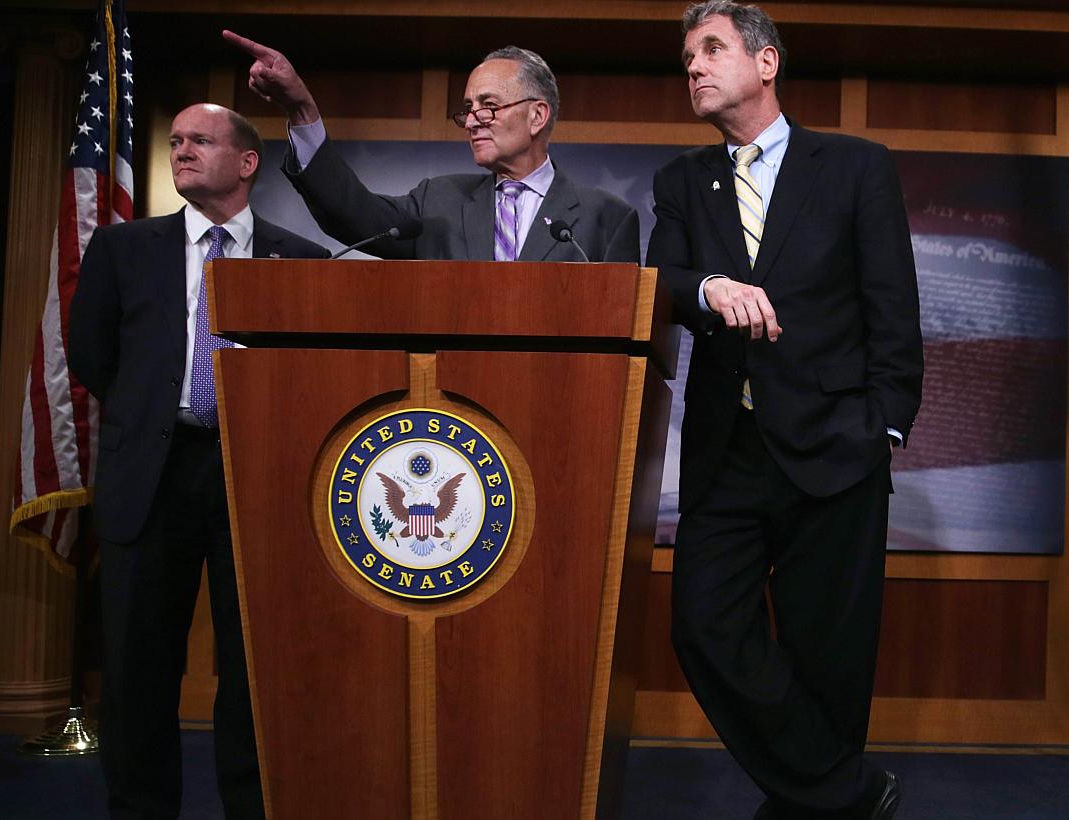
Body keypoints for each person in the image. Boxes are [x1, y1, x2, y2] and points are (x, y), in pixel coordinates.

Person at [646, 2, 923, 818]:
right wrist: (707, 285)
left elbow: (893, 312)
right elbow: (659, 282)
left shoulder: (856, 167)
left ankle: (809, 803)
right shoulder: (681, 182)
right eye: (688, 55)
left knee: (827, 654)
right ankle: (846, 792)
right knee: (704, 624)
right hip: (727, 449)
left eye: (712, 49)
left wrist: (885, 429)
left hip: (838, 445)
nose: (694, 66)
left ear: (766, 64)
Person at [69, 103, 330, 819]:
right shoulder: (125, 249)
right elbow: (91, 352)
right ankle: (141, 809)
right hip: (150, 475)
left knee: (252, 667)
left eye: (201, 141)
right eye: (177, 141)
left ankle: (250, 805)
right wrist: (151, 412)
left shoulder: (297, 260)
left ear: (247, 162)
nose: (182, 151)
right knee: (138, 666)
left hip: (254, 478)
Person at [222, 31, 641, 264]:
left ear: (537, 116)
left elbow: (623, 342)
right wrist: (302, 109)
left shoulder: (604, 219)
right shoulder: (437, 202)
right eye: (467, 108)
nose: (473, 119)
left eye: (489, 106)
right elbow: (353, 215)